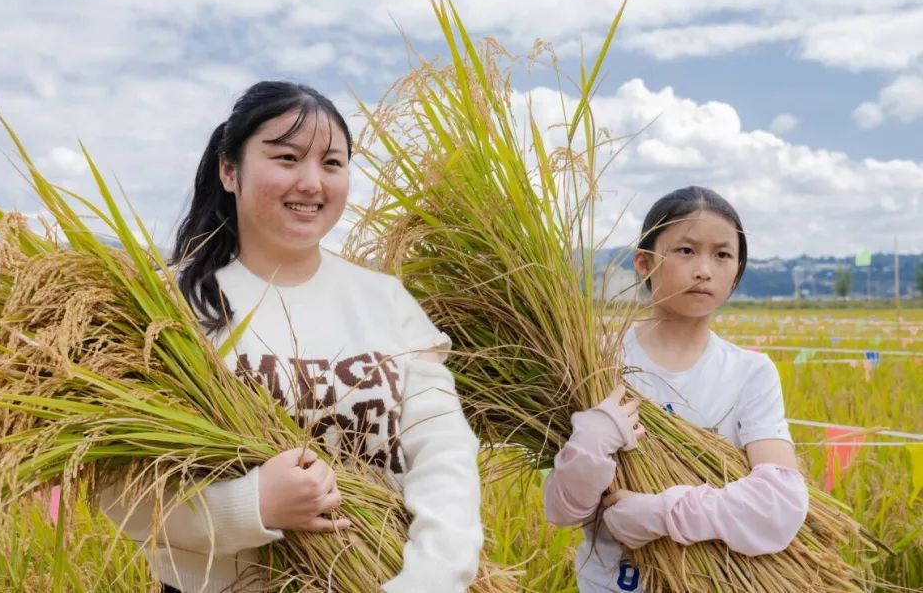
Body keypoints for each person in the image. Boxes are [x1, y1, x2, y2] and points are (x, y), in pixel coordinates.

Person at [100, 81, 482, 593]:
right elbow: (122, 488)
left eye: (331, 163)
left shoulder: (386, 301)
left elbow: (444, 453)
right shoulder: (168, 306)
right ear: (229, 170)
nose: (311, 182)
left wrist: (428, 580)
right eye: (286, 158)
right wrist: (252, 504)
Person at [542, 186, 809, 592]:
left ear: (735, 272)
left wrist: (663, 512)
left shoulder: (750, 371)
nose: (704, 269)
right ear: (644, 263)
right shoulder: (595, 361)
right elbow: (563, 510)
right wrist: (589, 443)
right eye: (686, 251)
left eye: (722, 255)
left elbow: (781, 501)